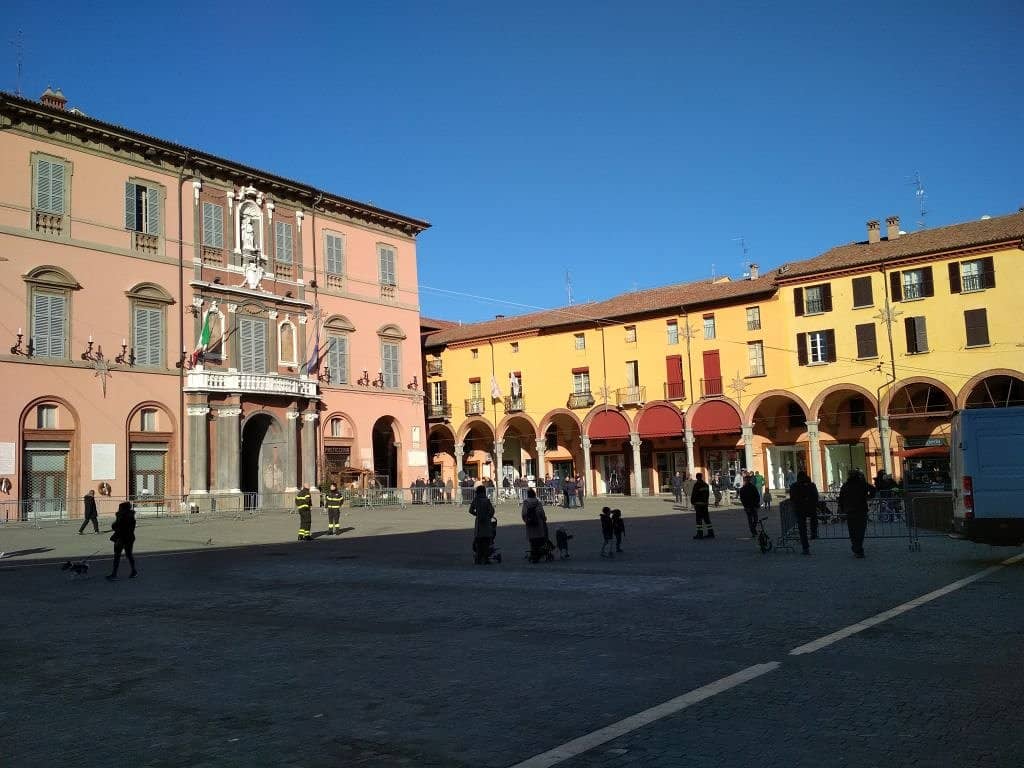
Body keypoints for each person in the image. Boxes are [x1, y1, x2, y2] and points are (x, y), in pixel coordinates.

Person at [839, 469, 875, 558]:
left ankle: (856, 548)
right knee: (860, 531)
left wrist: (843, 509)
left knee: (853, 532)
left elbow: (841, 499)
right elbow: (873, 489)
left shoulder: (845, 485)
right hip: (861, 510)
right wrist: (868, 497)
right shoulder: (862, 484)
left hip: (850, 511)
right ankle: (858, 548)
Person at [789, 471, 819, 555]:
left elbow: (792, 498)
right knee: (813, 520)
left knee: (802, 529)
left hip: (800, 509)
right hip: (811, 508)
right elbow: (816, 496)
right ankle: (814, 533)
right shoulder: (812, 485)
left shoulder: (794, 486)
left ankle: (805, 547)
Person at [106, 501, 137, 580]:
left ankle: (114, 574)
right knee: (128, 555)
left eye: (120, 508)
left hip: (121, 538)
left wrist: (115, 528)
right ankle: (133, 571)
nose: (118, 509)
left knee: (118, 556)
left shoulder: (122, 516)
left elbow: (118, 527)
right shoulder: (130, 516)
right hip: (129, 538)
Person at [468, 485, 496, 564]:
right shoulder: (487, 500)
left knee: (479, 541)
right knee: (486, 541)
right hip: (486, 523)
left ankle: (478, 558)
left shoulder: (476, 500)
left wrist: (476, 514)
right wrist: (488, 516)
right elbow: (492, 511)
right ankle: (486, 559)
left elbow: (470, 510)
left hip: (479, 523)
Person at [521, 488, 548, 563]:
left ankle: (534, 555)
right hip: (538, 523)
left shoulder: (526, 503)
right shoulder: (538, 502)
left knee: (532, 541)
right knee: (539, 540)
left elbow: (523, 513)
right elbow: (541, 512)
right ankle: (539, 554)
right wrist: (544, 519)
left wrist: (526, 520)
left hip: (530, 524)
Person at [691, 473, 714, 539]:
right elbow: (707, 495)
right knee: (707, 519)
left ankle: (699, 534)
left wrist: (692, 501)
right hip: (705, 504)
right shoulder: (706, 485)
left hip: (698, 504)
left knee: (699, 520)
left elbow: (694, 494)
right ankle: (711, 532)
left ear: (697, 477)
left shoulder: (697, 485)